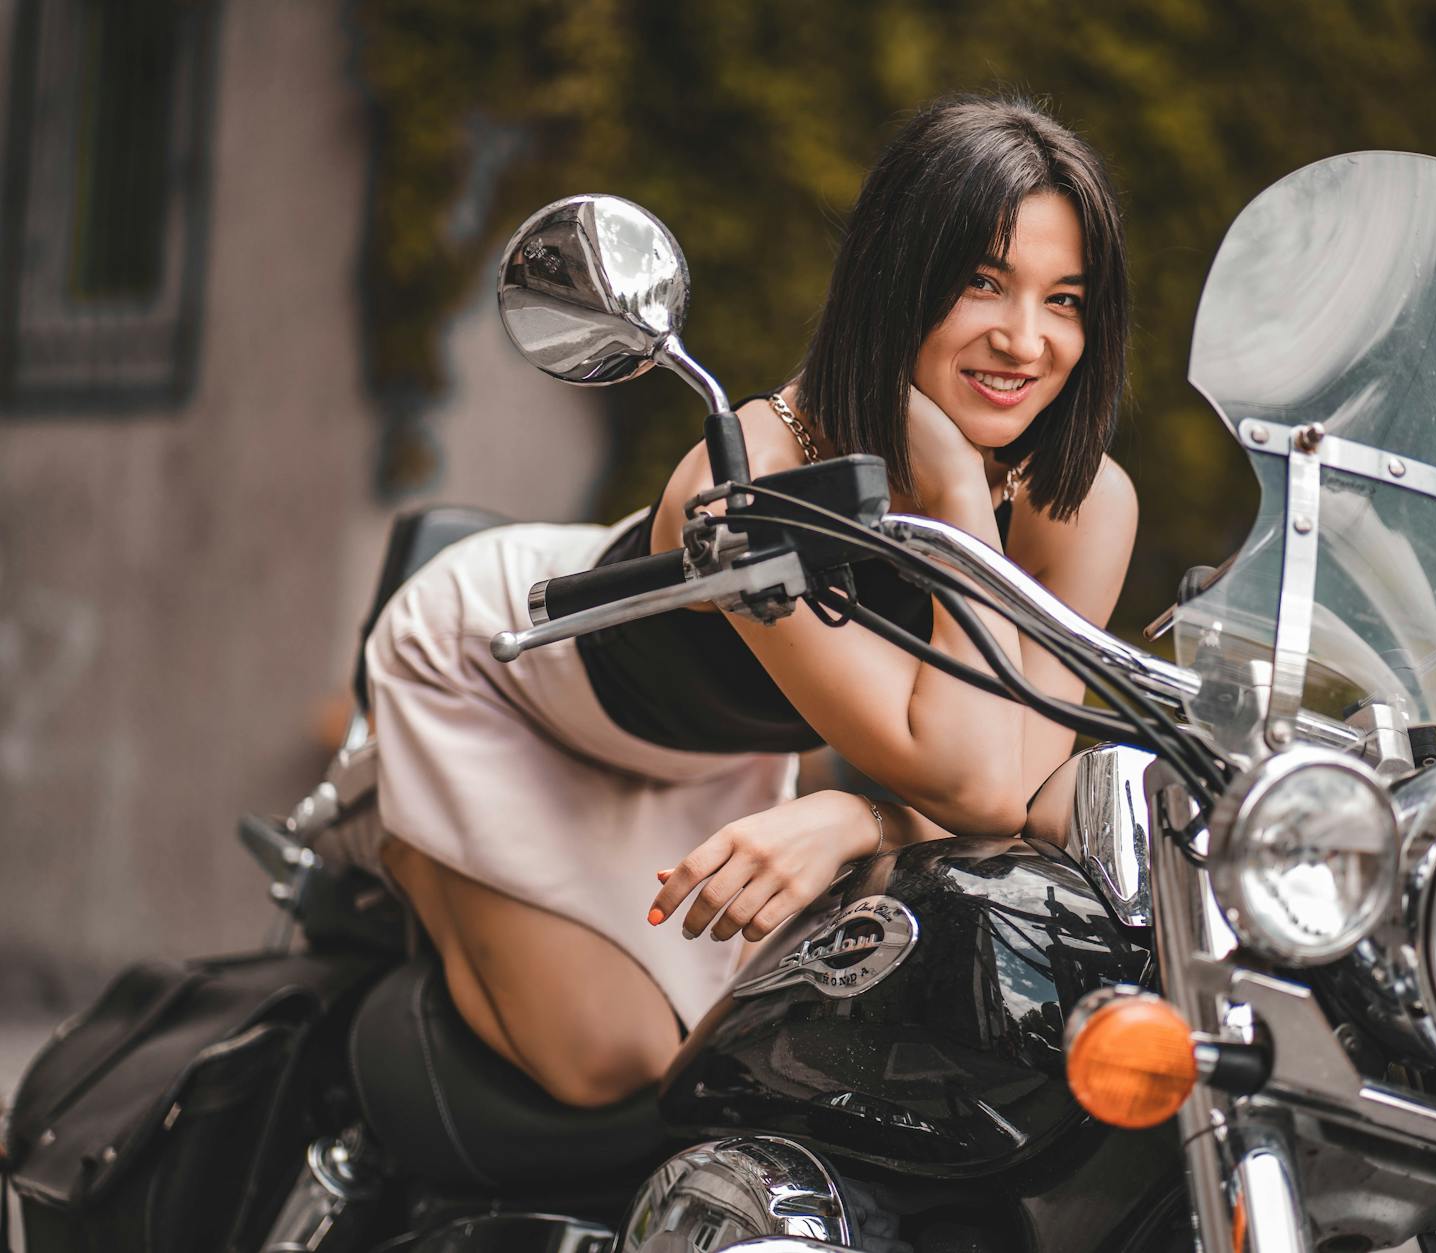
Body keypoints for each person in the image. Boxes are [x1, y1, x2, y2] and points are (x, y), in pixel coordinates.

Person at [362, 94, 1138, 1109]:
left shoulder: (1081, 503)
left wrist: (856, 817)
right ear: (894, 279)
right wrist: (954, 489)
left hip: (710, 754)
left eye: (1064, 300)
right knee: (615, 1067)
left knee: (749, 1052)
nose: (1025, 341)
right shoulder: (749, 483)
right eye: (981, 284)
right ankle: (399, 837)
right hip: (504, 677)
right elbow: (973, 785)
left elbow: (1012, 797)